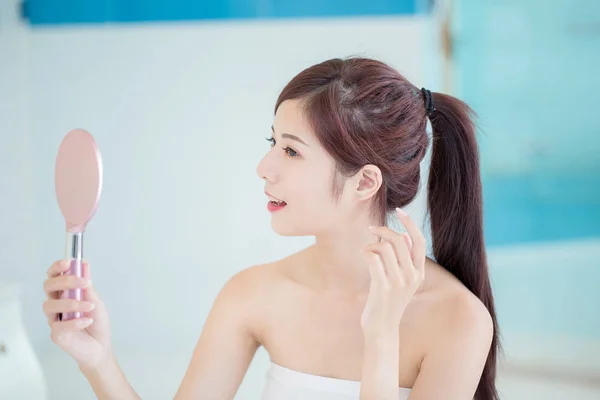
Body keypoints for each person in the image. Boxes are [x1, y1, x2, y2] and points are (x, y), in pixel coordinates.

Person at [43, 57, 499, 400]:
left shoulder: (457, 320)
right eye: (273, 143)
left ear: (364, 182)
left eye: (292, 151)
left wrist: (382, 334)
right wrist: (96, 359)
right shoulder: (253, 293)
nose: (264, 167)